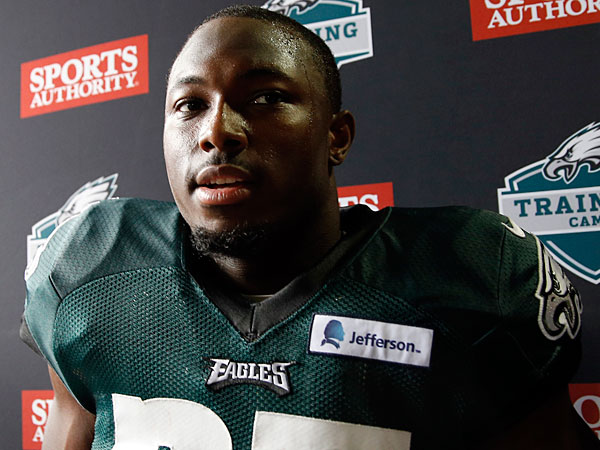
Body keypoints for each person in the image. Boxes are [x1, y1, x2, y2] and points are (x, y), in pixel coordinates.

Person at [21, 5, 599, 450]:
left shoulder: (471, 279)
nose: (217, 131)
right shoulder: (91, 272)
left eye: (266, 97)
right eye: (189, 105)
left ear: (336, 136)